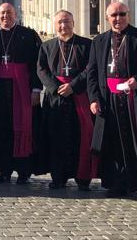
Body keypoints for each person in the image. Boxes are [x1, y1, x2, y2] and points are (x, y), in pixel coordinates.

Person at [86, 1, 137, 201]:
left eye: (122, 14)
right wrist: (94, 98)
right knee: (114, 143)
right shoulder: (100, 41)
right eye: (113, 15)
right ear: (107, 18)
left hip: (136, 99)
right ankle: (118, 183)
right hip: (109, 100)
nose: (118, 18)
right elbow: (93, 73)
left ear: (128, 15)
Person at [0, 2, 42, 184]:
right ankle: (3, 170)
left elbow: (37, 66)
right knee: (1, 129)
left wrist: (36, 90)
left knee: (25, 128)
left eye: (9, 13)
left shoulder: (28, 35)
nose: (6, 17)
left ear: (15, 15)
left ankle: (24, 171)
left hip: (23, 89)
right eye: (2, 14)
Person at [37, 10, 96, 190]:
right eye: (60, 22)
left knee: (82, 137)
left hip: (79, 96)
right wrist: (55, 88)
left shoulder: (87, 45)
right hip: (55, 98)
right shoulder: (46, 46)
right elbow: (41, 69)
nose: (64, 26)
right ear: (55, 25)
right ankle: (58, 176)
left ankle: (82, 178)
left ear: (73, 23)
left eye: (67, 22)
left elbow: (90, 68)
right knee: (55, 137)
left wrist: (73, 86)